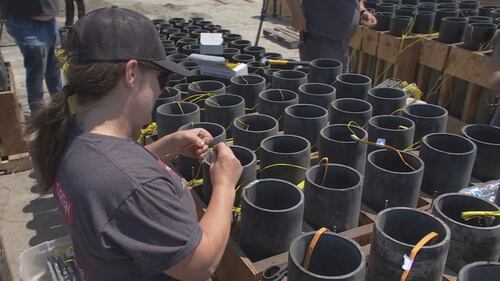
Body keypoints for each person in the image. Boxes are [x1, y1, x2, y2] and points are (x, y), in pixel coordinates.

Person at [27, 6, 243, 281]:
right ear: (131, 73)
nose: (160, 90)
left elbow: (112, 179)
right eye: (160, 78)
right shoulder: (132, 186)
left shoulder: (70, 128)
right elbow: (200, 263)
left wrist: (163, 147)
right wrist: (225, 184)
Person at [0, 0, 63, 113]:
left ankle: (61, 109)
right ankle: (38, 115)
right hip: (24, 20)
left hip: (49, 19)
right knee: (37, 71)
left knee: (54, 68)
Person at [286, 0, 377, 69]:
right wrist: (296, 13)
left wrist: (362, 12)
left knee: (336, 87)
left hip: (343, 45)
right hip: (319, 39)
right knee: (321, 88)